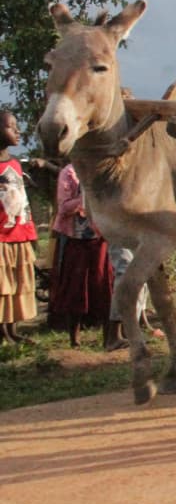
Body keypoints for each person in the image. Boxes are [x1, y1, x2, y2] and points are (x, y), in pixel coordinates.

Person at [48, 163, 114, 347]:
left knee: (105, 286)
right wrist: (86, 197)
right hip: (75, 240)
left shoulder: (102, 168)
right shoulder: (68, 173)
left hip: (100, 238)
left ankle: (109, 336)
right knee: (75, 288)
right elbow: (63, 207)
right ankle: (74, 339)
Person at [0, 111, 38, 344]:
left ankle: (12, 330)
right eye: (11, 126)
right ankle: (2, 332)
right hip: (1, 237)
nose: (17, 131)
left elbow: (22, 200)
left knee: (16, 284)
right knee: (1, 286)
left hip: (19, 233)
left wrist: (31, 232)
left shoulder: (15, 163)